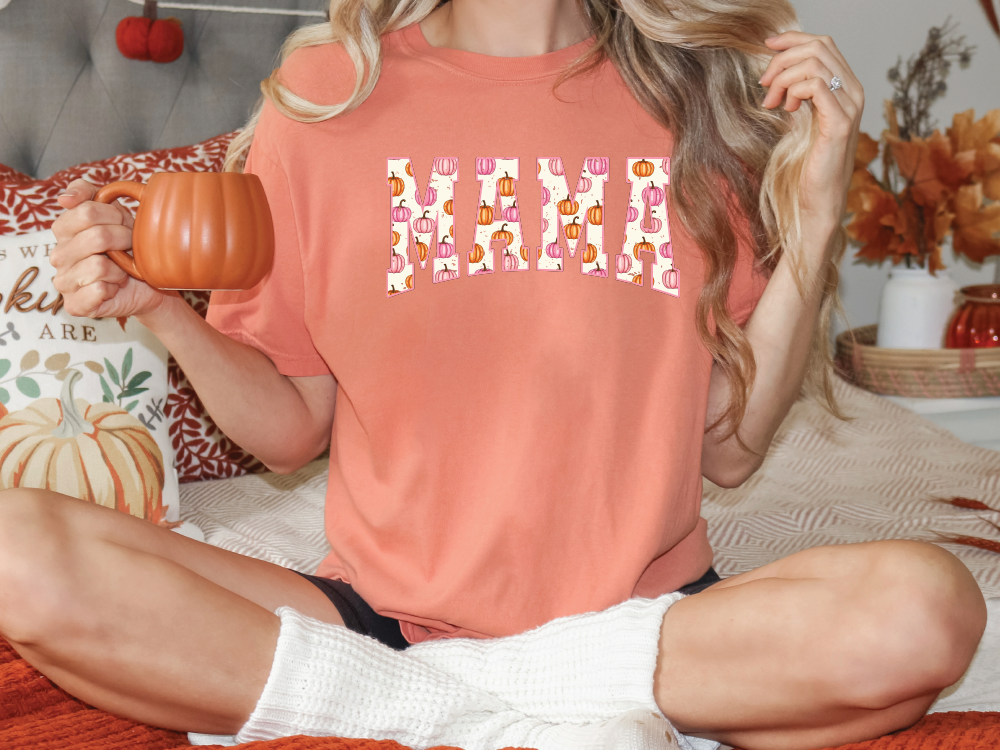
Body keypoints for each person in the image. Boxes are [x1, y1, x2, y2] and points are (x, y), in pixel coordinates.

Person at [0, 0, 987, 749]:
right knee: (16, 549)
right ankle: (470, 698)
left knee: (925, 612)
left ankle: (418, 700)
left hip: (653, 623)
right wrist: (163, 310)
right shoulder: (325, 94)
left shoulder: (696, 97)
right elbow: (291, 429)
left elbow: (727, 454)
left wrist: (814, 220)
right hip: (375, 614)